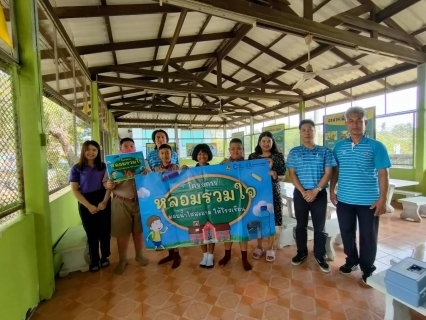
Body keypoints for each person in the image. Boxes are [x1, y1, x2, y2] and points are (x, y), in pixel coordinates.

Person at [330, 106, 391, 284]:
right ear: (346, 124)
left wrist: (383, 200)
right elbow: (336, 170)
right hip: (344, 200)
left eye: (359, 120)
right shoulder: (339, 146)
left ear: (365, 122)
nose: (355, 124)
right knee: (347, 233)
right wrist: (331, 189)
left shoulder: (376, 146)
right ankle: (351, 261)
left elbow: (383, 174)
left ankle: (368, 268)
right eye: (351, 121)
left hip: (369, 202)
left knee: (368, 236)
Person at [286, 120, 337, 273]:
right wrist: (303, 192)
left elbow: (329, 172)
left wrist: (316, 190)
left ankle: (320, 255)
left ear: (315, 131)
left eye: (310, 129)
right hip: (301, 193)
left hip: (319, 194)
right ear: (300, 133)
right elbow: (292, 174)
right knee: (301, 225)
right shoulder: (294, 152)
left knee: (319, 227)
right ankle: (301, 253)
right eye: (304, 130)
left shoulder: (325, 151)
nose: (307, 132)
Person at [104, 138, 149, 275]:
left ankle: (139, 254)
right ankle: (122, 259)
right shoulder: (112, 163)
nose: (129, 148)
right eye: (126, 146)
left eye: (132, 146)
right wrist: (109, 184)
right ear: (120, 148)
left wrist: (146, 174)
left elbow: (152, 179)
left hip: (140, 201)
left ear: (135, 148)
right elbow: (106, 182)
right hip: (120, 201)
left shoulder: (143, 162)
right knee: (122, 232)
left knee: (138, 230)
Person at [69, 140, 112, 272]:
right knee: (91, 232)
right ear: (83, 151)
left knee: (105, 230)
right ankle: (94, 259)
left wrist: (104, 202)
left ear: (98, 152)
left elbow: (109, 184)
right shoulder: (76, 168)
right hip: (85, 201)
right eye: (88, 149)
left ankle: (105, 256)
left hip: (103, 198)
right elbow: (75, 190)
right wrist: (88, 206)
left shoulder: (104, 166)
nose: (91, 152)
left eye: (94, 150)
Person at [249, 132, 286, 263]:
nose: (266, 144)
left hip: (273, 193)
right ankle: (259, 246)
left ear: (272, 142)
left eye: (268, 141)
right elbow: (248, 175)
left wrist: (276, 176)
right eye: (263, 141)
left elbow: (283, 176)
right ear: (259, 142)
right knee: (258, 220)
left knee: (272, 221)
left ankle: (270, 247)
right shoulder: (252, 157)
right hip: (257, 193)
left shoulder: (278, 156)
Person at [218, 138, 252, 271]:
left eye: (238, 148)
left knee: (243, 229)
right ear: (229, 150)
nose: (235, 151)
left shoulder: (248, 164)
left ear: (242, 149)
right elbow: (210, 174)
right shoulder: (223, 163)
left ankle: (244, 258)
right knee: (228, 228)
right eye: (232, 149)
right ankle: (227, 255)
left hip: (244, 201)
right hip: (228, 201)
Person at [183, 144, 215, 267]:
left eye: (205, 153)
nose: (202, 156)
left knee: (211, 230)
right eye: (199, 154)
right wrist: (183, 169)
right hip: (197, 206)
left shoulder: (214, 169)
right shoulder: (190, 171)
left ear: (209, 155)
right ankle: (205, 255)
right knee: (200, 230)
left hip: (211, 205)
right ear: (196, 156)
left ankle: (211, 256)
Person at [152, 144, 181, 268]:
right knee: (166, 226)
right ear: (159, 155)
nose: (165, 155)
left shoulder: (176, 167)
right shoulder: (156, 169)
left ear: (172, 154)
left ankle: (177, 254)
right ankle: (170, 253)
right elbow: (152, 184)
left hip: (174, 202)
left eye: (167, 153)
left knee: (174, 226)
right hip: (162, 202)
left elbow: (180, 180)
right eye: (162, 153)